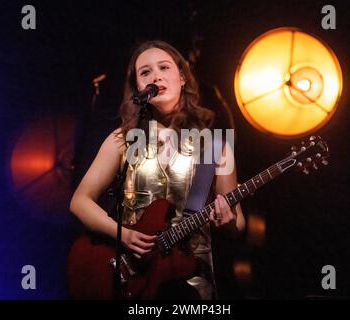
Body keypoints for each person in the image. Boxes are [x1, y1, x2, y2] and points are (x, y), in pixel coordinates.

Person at [69, 40, 245, 300]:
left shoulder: (215, 145)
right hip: (136, 277)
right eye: (145, 72)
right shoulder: (123, 139)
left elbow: (238, 221)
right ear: (139, 87)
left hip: (192, 279)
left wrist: (228, 221)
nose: (156, 76)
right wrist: (123, 235)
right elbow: (80, 201)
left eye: (164, 67)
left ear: (182, 77)